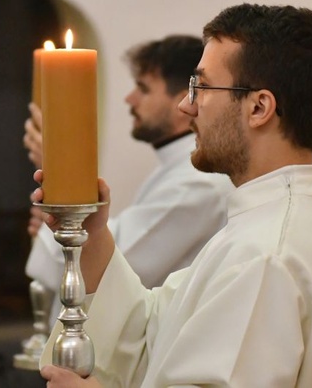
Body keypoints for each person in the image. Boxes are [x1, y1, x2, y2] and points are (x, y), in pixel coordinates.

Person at [36, 3, 312, 387]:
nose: (187, 106)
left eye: (201, 87)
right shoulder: (260, 225)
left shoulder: (265, 254)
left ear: (259, 107)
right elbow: (157, 329)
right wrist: (95, 236)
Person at [24, 35, 233, 323]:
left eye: (143, 89)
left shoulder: (199, 183)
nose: (129, 99)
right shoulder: (177, 167)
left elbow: (112, 268)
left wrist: (59, 168)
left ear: (182, 100)